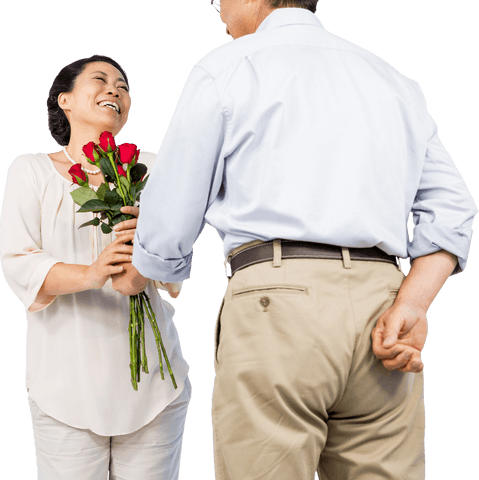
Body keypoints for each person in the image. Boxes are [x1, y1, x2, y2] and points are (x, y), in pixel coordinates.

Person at [113, 1, 477, 479]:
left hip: (278, 306)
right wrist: (411, 304)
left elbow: (170, 216)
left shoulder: (227, 66)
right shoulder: (392, 79)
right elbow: (453, 209)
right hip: (382, 311)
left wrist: (145, 268)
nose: (216, 4)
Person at [0, 54, 191, 480]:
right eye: (101, 81)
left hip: (155, 386)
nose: (115, 91)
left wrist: (143, 268)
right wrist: (92, 273)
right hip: (65, 387)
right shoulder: (30, 172)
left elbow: (176, 265)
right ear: (64, 100)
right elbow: (18, 261)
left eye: (123, 87)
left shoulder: (151, 170)